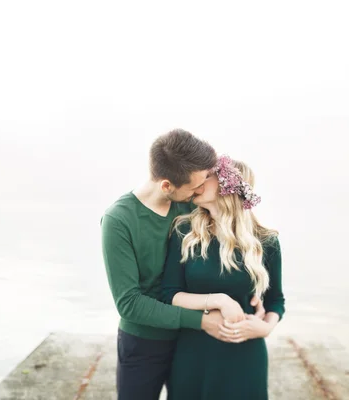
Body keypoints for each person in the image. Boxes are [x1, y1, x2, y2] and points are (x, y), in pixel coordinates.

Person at [101, 130, 264, 400]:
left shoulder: (192, 206)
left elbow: (229, 239)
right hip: (145, 343)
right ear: (167, 186)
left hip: (192, 342)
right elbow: (129, 303)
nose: (201, 191)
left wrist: (252, 291)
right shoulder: (118, 220)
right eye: (195, 186)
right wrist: (202, 321)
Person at [161, 155, 285, 400]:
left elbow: (275, 300)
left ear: (226, 186)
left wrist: (266, 327)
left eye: (207, 177)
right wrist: (218, 300)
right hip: (192, 352)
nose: (197, 182)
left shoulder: (266, 241)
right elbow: (169, 294)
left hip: (245, 354)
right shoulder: (184, 231)